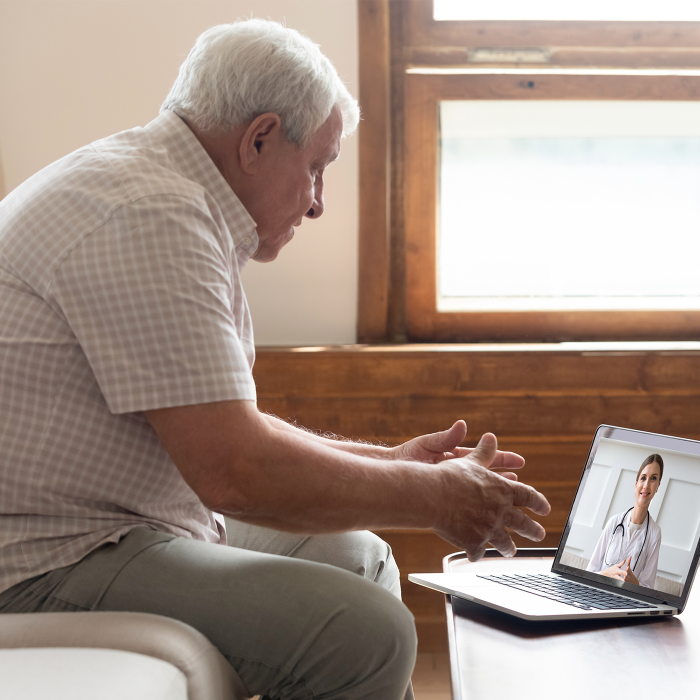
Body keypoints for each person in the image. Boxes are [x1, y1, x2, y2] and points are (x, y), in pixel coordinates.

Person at [0, 19, 551, 700]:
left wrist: (391, 464)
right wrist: (436, 496)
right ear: (259, 138)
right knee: (368, 631)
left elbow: (232, 429)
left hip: (108, 521)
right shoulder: (149, 214)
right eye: (317, 167)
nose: (319, 203)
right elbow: (236, 470)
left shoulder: (158, 190)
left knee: (360, 558)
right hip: (41, 561)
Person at [586, 454, 663, 588]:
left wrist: (635, 584)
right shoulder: (614, 522)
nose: (646, 485)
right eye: (643, 478)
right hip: (597, 592)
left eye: (653, 479)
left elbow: (648, 587)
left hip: (625, 601)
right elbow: (589, 573)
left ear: (657, 486)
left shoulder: (654, 533)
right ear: (636, 484)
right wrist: (606, 574)